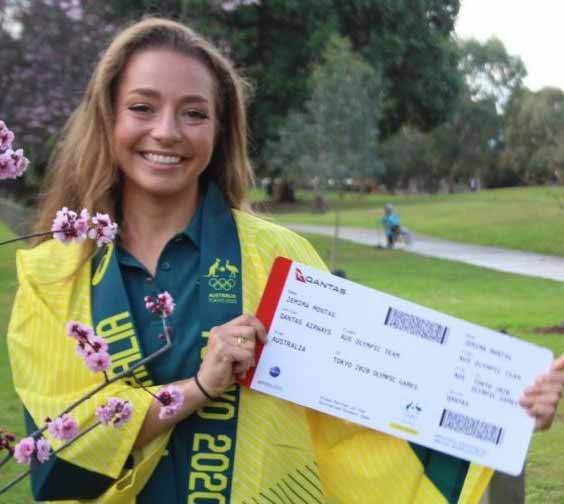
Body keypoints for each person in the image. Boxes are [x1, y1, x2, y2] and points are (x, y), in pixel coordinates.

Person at [6, 18, 564, 504]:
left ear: (221, 131)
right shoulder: (55, 273)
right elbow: (58, 462)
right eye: (142, 107)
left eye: (194, 113)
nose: (167, 131)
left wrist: (502, 403)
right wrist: (199, 388)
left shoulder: (279, 258)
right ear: (108, 117)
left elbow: (369, 398)